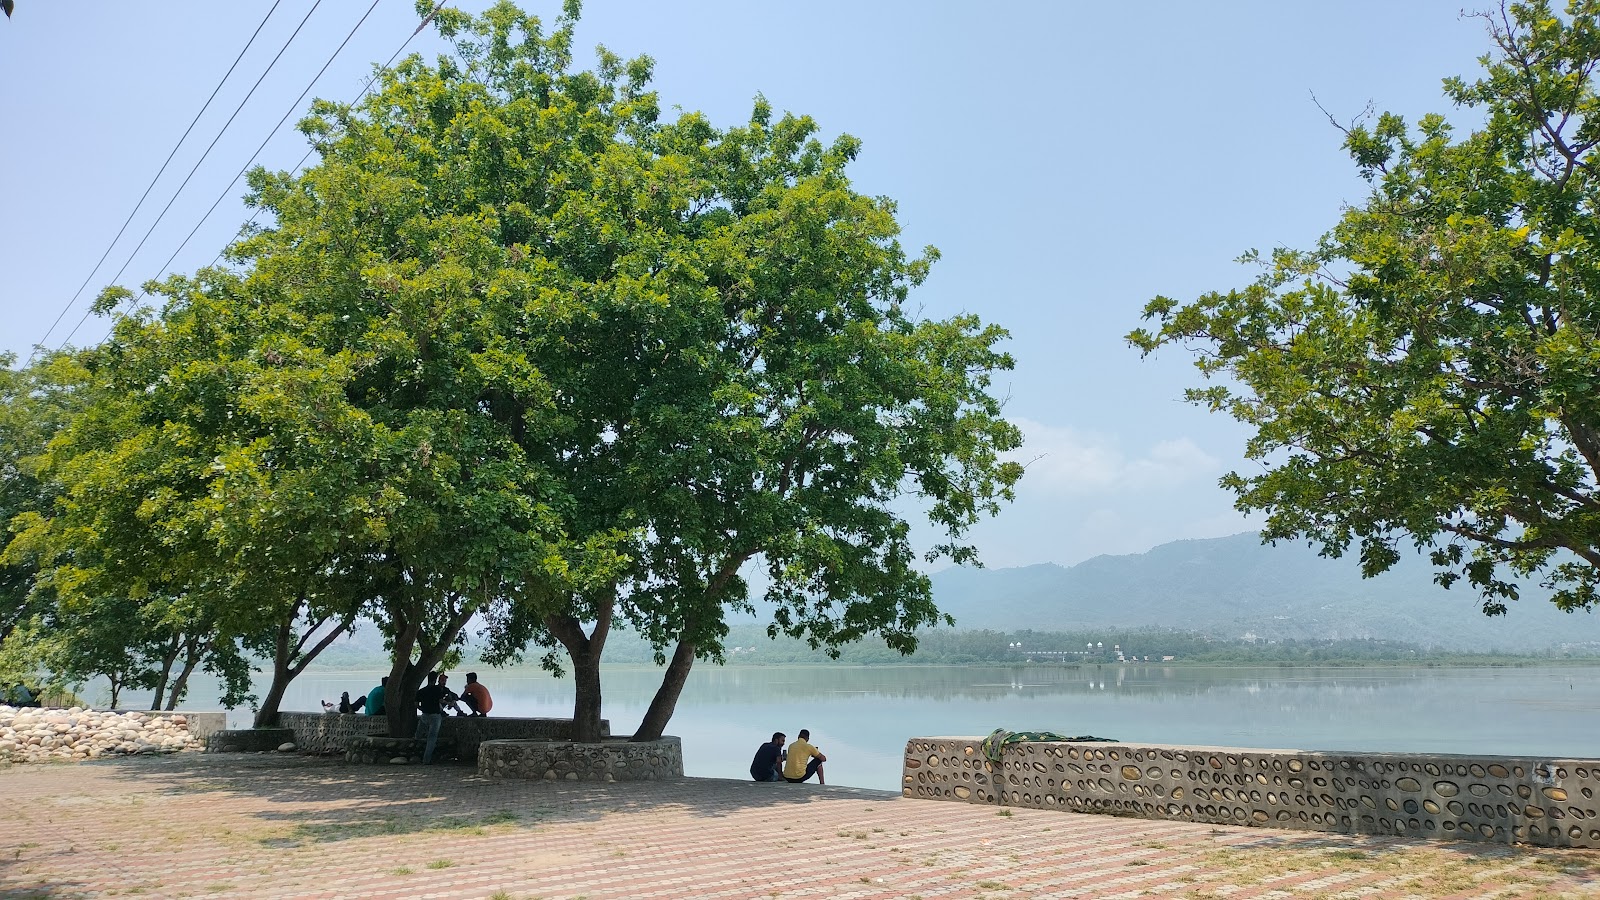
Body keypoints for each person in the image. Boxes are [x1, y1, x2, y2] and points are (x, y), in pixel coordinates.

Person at [413, 671, 447, 764]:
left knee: (418, 735)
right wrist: (448, 703)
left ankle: (414, 754)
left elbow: (416, 704)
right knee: (432, 738)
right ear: (435, 679)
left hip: (424, 715)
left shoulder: (421, 691)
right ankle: (426, 760)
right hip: (435, 716)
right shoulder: (437, 690)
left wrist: (422, 709)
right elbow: (440, 700)